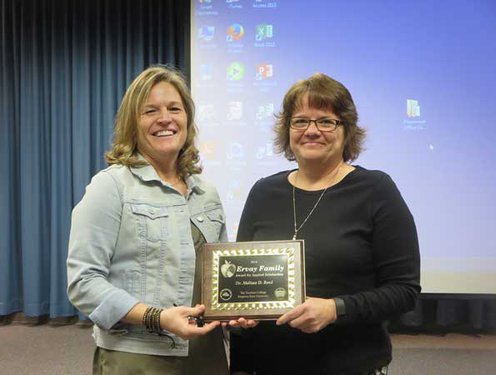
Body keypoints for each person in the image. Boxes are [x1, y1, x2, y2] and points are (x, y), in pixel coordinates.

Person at [230, 73, 421, 375]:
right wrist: (240, 314)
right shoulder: (263, 192)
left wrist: (334, 309)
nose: (312, 130)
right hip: (268, 365)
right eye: (300, 121)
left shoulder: (376, 189)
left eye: (326, 121)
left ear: (347, 130)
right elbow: (242, 282)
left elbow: (404, 291)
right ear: (288, 130)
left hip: (348, 364)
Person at [67, 65, 229, 375]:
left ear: (187, 120)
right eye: (150, 111)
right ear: (132, 123)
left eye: (174, 109)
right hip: (139, 357)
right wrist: (157, 317)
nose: (165, 118)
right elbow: (83, 283)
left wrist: (242, 310)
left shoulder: (207, 193)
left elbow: (220, 280)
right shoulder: (111, 186)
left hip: (205, 353)